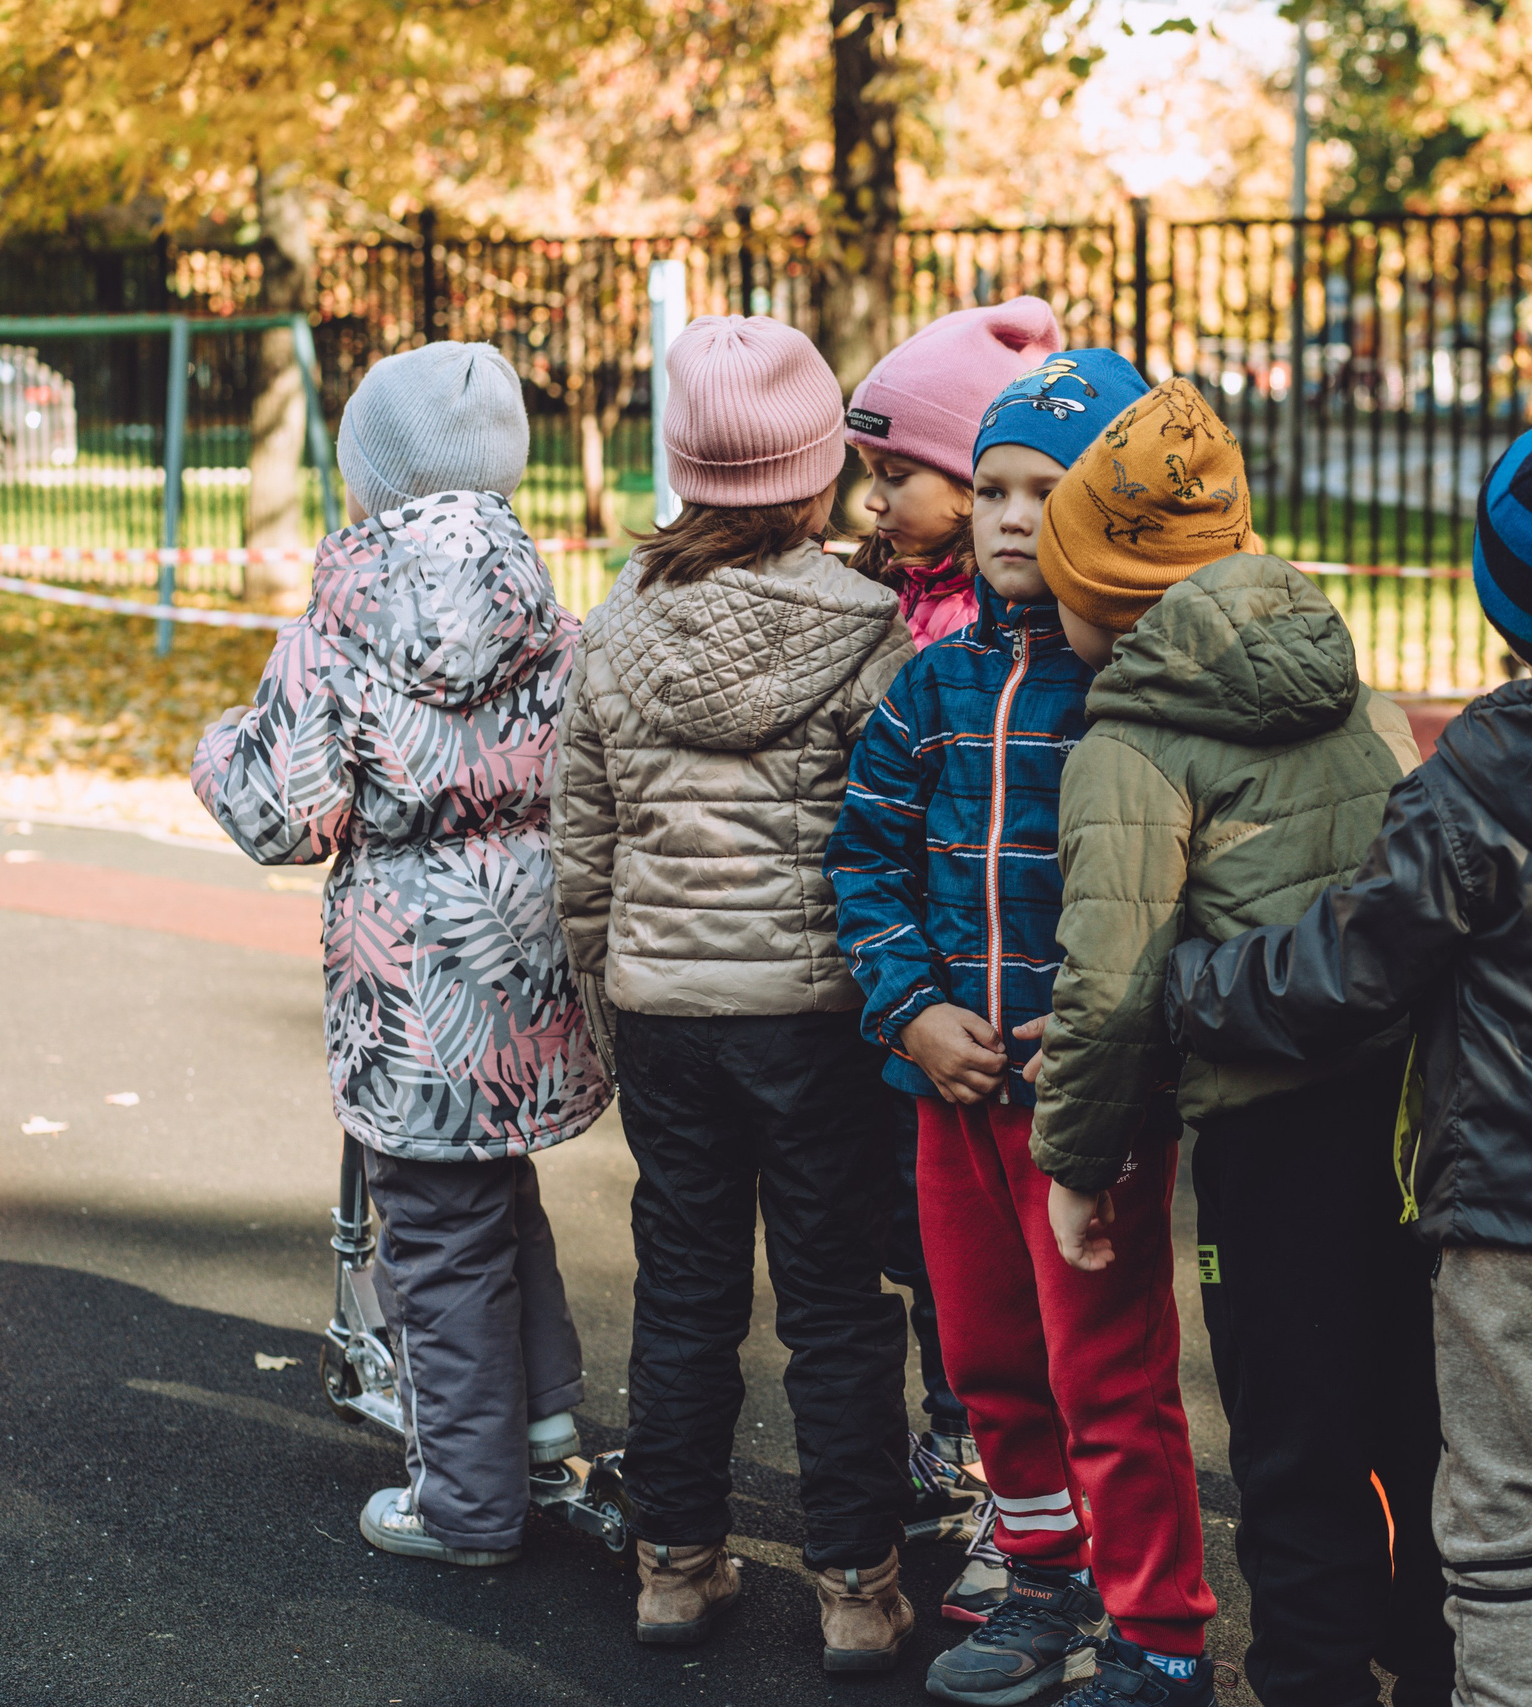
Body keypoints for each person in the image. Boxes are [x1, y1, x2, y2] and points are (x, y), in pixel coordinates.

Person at [1163, 418, 1532, 1707]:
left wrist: (1192, 986)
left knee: (1493, 1528)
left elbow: (1348, 968)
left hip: (1516, 1234)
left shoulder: (1477, 774)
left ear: (1492, 592)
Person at [1025, 376, 1446, 1707]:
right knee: (1413, 1424)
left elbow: (1110, 980)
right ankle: (1444, 1663)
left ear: (1110, 592)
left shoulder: (1132, 742)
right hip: (1407, 1120)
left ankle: (1314, 1675)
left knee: (1290, 1446)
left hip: (1268, 1138)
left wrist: (1075, 1160)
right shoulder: (1343, 677)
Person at [825, 347, 1221, 1695]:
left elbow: (1181, 902)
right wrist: (914, 1009)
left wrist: (1116, 1042)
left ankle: (1160, 1631)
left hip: (1085, 1109)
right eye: (989, 486)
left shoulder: (1138, 690)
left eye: (1041, 491)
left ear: (1102, 513)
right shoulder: (927, 690)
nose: (1003, 516)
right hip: (950, 1097)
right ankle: (1044, 1584)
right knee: (993, 1359)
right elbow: (866, 864)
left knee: (1108, 1371)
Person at [192, 341, 611, 1569]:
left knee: (430, 1225)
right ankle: (537, 1429)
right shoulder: (551, 614)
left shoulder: (333, 632)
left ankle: (466, 1502)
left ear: (368, 479)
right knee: (500, 1192)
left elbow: (282, 813)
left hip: (412, 980)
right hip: (526, 955)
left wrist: (223, 744)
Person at [550, 315, 921, 1664]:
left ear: (684, 469)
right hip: (818, 1018)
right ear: (819, 477)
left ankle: (675, 1561)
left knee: (688, 1288)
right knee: (832, 1298)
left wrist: (607, 988)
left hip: (668, 1018)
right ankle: (857, 1585)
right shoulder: (871, 633)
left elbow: (579, 839)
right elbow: (899, 828)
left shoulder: (617, 629)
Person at [843, 296, 1067, 1517]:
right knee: (936, 1257)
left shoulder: (1027, 637)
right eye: (871, 472)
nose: (877, 500)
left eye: (903, 473)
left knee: (1031, 1285)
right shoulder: (910, 632)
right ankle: (965, 1439)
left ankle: (1000, 1465)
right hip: (927, 996)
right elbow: (870, 834)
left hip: (1026, 1010)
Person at [846, 295, 1064, 655]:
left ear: (972, 480)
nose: (872, 501)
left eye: (896, 476)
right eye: (871, 473)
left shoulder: (1000, 616)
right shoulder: (876, 576)